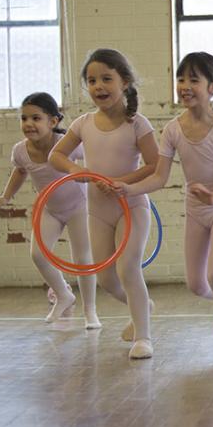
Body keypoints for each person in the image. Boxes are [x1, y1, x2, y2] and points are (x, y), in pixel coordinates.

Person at [116, 52, 213, 361]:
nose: (185, 86)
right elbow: (159, 177)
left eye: (193, 80)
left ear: (212, 87)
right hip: (195, 211)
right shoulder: (173, 129)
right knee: (196, 284)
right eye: (180, 79)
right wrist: (128, 188)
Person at [50, 49, 158, 358]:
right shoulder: (83, 123)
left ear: (124, 82)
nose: (98, 86)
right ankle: (143, 307)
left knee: (128, 268)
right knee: (107, 279)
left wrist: (124, 182)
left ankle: (144, 337)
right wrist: (76, 170)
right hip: (97, 209)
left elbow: (153, 164)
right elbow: (55, 155)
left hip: (132, 205)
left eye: (106, 79)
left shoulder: (137, 123)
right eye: (92, 80)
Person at [0, 92, 99, 328]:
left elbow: (92, 159)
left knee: (83, 259)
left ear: (53, 122)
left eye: (36, 118)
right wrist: (6, 197)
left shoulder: (65, 143)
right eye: (24, 118)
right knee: (38, 254)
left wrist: (89, 176)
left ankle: (90, 311)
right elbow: (20, 172)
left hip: (79, 207)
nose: (28, 124)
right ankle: (63, 294)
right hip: (50, 209)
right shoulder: (20, 150)